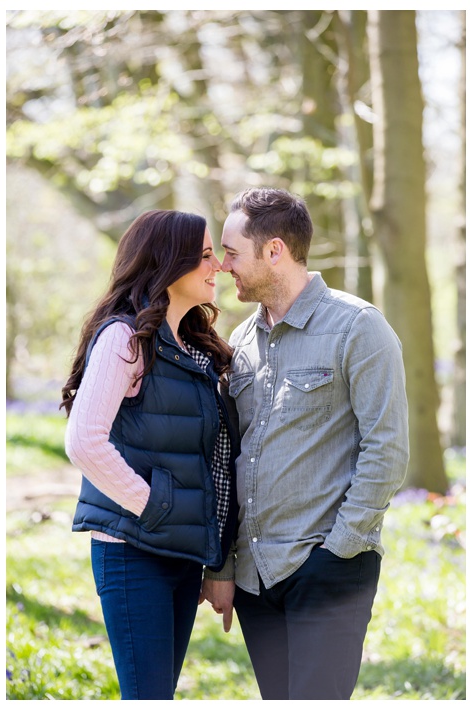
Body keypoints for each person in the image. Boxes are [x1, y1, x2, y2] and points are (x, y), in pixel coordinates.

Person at [201, 187, 409, 700]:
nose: (224, 266)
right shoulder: (243, 341)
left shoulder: (358, 328)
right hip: (255, 579)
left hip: (329, 568)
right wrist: (225, 567)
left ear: (274, 251)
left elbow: (387, 449)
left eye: (231, 252)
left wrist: (338, 551)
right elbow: (229, 458)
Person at [61, 210, 238, 700]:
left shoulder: (197, 349)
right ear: (167, 262)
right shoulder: (126, 340)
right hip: (132, 551)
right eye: (204, 255)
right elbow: (84, 440)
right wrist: (153, 504)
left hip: (179, 552)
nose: (218, 266)